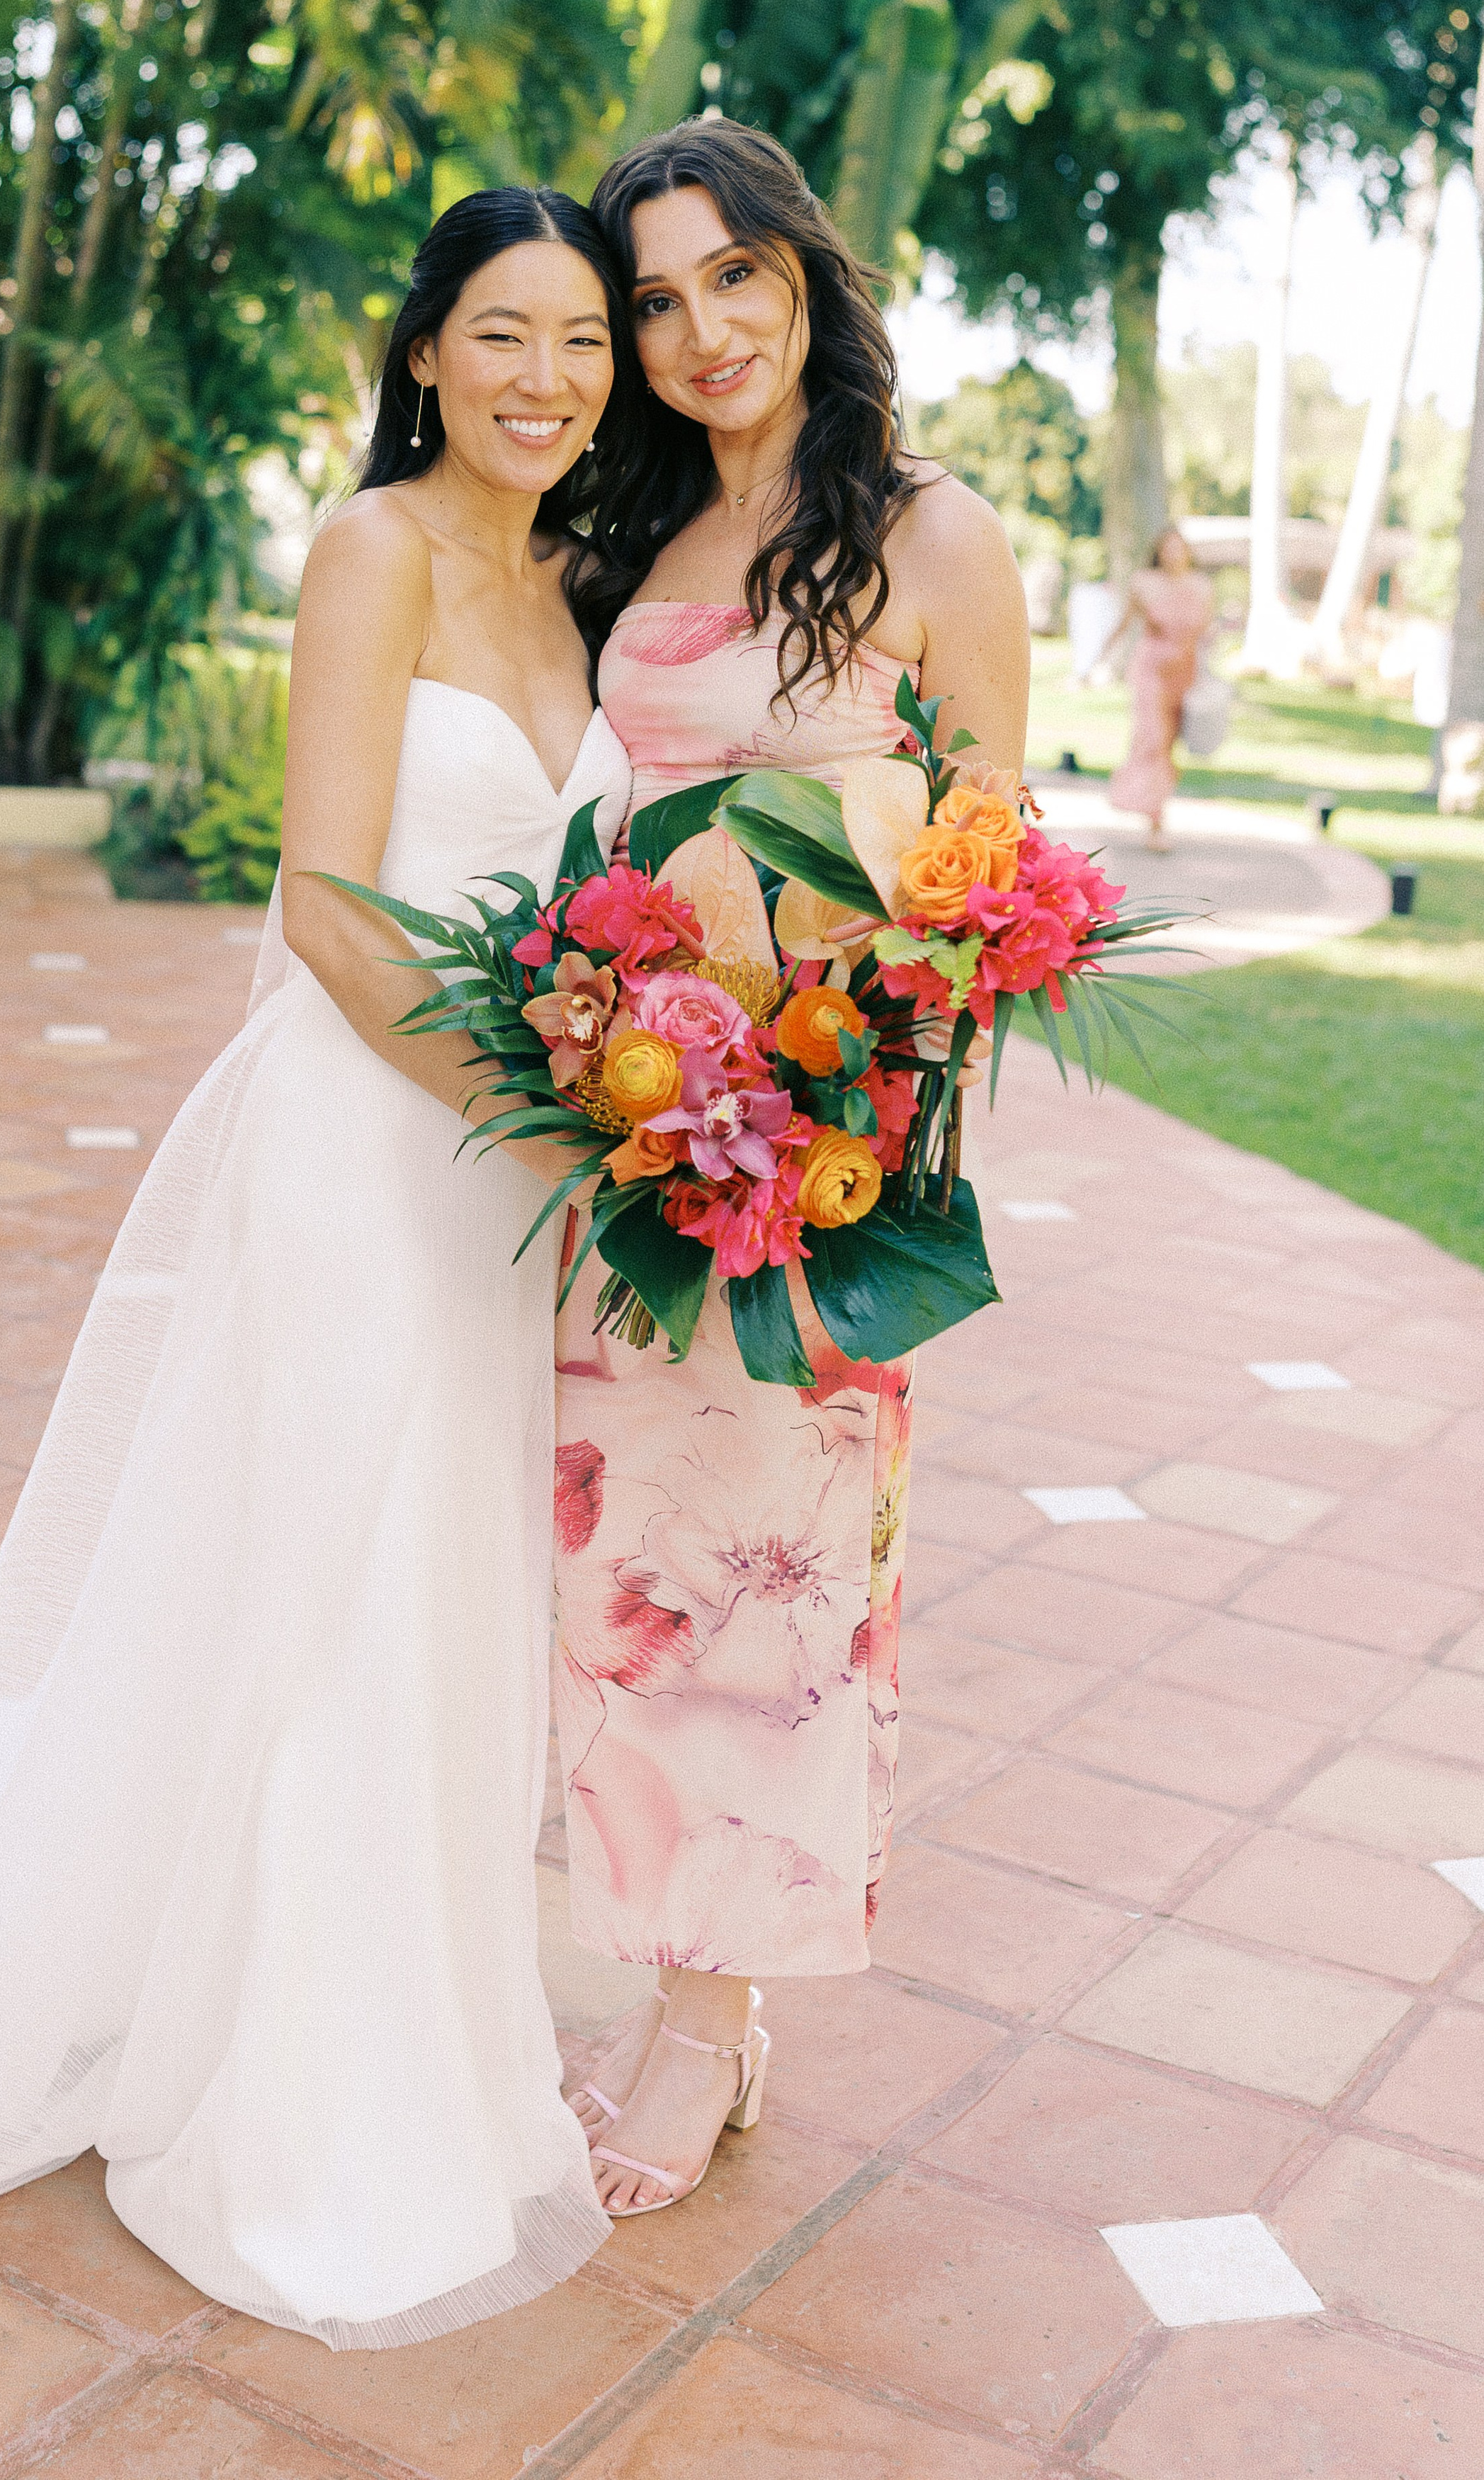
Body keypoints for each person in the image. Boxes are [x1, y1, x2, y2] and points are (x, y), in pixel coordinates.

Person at [0, 189, 638, 2348]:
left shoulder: (579, 582)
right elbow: (320, 899)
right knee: (326, 1577)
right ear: (427, 351)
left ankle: (410, 2001)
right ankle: (295, 2086)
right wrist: (549, 1098)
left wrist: (588, 1115)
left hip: (498, 1172)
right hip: (369, 1139)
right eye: (503, 333)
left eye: (581, 341)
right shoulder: (374, 549)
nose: (545, 378)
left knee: (431, 1588)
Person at [552, 119, 1030, 2217]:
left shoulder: (931, 539)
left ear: (808, 278)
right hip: (617, 1148)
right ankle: (651, 1961)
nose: (696, 331)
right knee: (621, 1578)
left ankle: (713, 2013)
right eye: (651, 298)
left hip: (814, 1153)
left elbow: (988, 871)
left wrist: (851, 1073)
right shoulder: (615, 539)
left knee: (771, 1587)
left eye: (729, 276)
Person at [1105, 527, 1215, 849]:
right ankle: (1156, 821)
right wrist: (1099, 659)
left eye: (1179, 547)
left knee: (1168, 748)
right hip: (1151, 669)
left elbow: (1207, 632)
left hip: (1186, 671)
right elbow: (1126, 623)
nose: (1174, 554)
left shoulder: (1202, 585)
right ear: (1159, 551)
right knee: (1152, 740)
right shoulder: (1144, 582)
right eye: (1168, 547)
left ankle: (1157, 803)